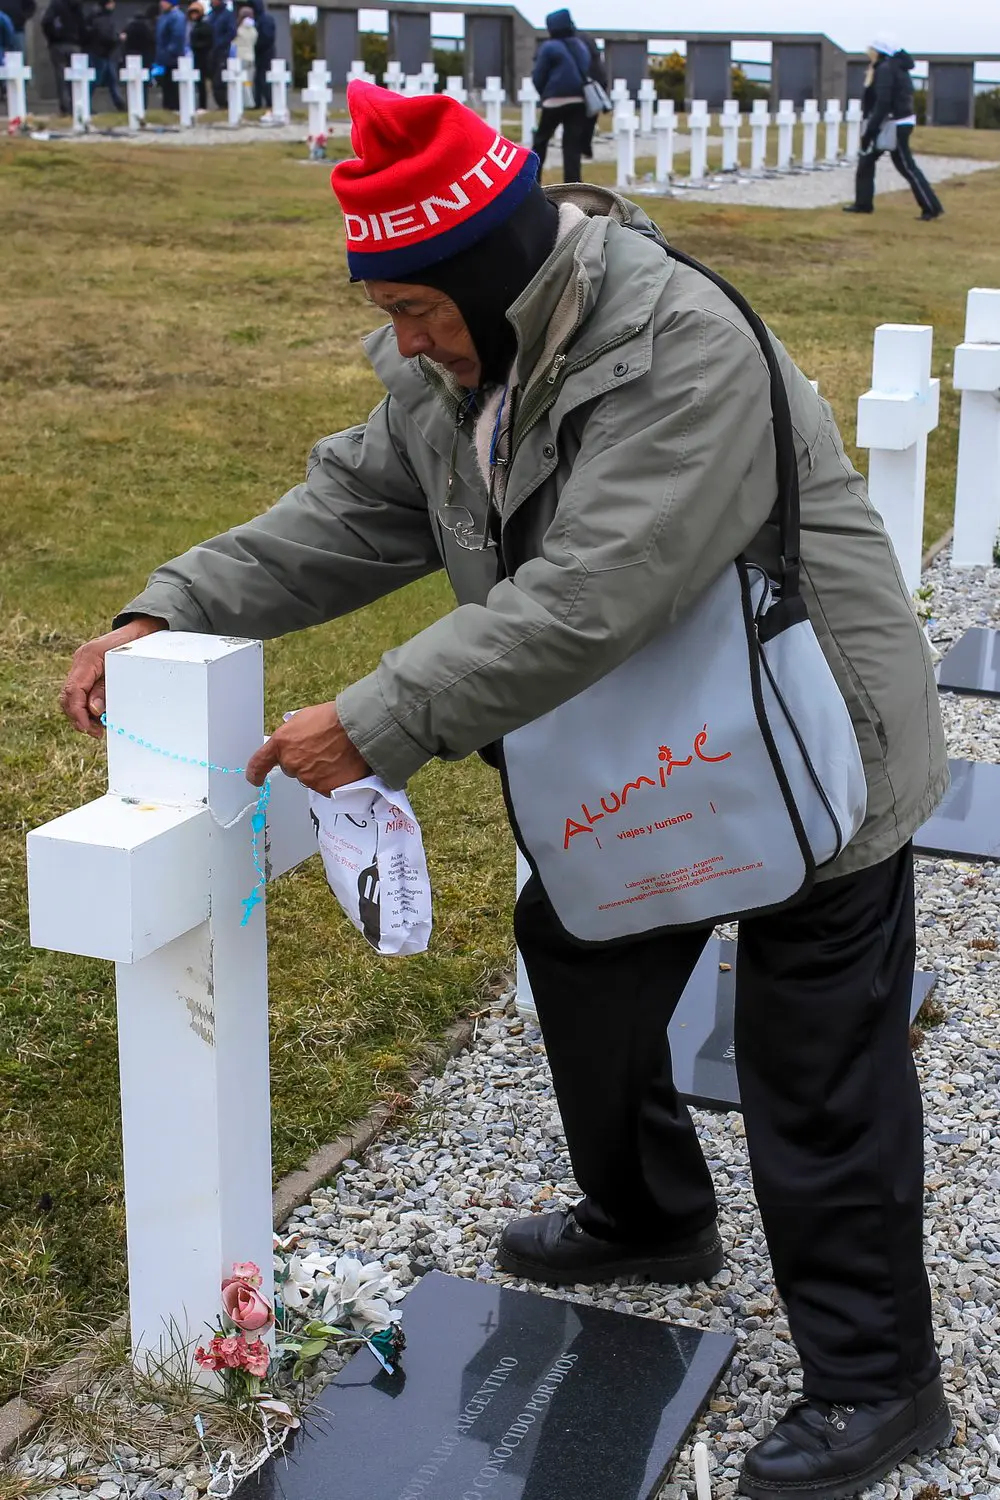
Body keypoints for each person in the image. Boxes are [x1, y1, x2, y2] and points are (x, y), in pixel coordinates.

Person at [61, 84, 952, 1500]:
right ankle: (650, 1216)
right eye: (390, 307)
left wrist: (375, 720)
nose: (399, 339)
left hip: (812, 740)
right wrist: (166, 605)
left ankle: (879, 1379)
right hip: (649, 749)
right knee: (580, 956)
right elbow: (352, 510)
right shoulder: (453, 373)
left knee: (815, 1060)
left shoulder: (681, 347)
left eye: (417, 306)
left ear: (494, 270)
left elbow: (594, 593)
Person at [844, 36, 944, 220]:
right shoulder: (893, 67)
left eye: (871, 50)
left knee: (906, 167)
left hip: (893, 124)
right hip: (894, 122)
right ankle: (863, 203)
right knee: (867, 162)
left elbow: (883, 102)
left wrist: (871, 130)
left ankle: (931, 207)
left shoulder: (886, 69)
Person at [531, 7, 600, 184]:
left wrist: (545, 94)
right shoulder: (580, 46)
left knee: (541, 141)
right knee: (571, 146)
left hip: (554, 100)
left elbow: (538, 76)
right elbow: (586, 68)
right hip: (579, 101)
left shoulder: (548, 47)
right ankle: (573, 185)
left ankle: (534, 180)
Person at [41, 0, 83, 113]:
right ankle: (78, 105)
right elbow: (82, 24)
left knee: (61, 77)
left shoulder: (56, 4)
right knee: (76, 77)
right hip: (74, 44)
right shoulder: (77, 5)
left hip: (58, 45)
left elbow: (46, 22)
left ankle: (66, 107)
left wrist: (53, 37)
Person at [87, 0, 125, 110]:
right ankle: (85, 103)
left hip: (104, 53)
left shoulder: (97, 16)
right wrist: (118, 39)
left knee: (111, 80)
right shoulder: (102, 18)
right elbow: (106, 37)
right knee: (95, 80)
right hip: (102, 53)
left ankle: (120, 103)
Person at [152, 0, 184, 109]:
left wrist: (169, 51)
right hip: (164, 57)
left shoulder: (177, 17)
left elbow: (177, 36)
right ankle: (167, 107)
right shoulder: (164, 17)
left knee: (173, 86)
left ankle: (174, 108)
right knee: (166, 85)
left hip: (172, 58)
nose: (161, 3)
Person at [205, 0, 233, 107]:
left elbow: (231, 32)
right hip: (210, 52)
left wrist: (220, 43)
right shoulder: (210, 15)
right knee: (212, 79)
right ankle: (219, 103)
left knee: (219, 80)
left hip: (222, 52)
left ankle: (224, 104)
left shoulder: (227, 15)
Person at [186, 0, 212, 108]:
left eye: (196, 13)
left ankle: (203, 105)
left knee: (202, 84)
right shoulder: (193, 26)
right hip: (195, 57)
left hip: (203, 58)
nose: (193, 16)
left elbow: (208, 42)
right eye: (192, 13)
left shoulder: (205, 26)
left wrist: (196, 45)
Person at [250, 0, 273, 112]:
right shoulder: (257, 20)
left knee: (263, 79)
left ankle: (269, 102)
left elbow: (267, 38)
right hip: (259, 53)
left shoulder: (265, 20)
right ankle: (257, 102)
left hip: (265, 53)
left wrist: (255, 46)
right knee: (258, 80)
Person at [121, 1, 156, 70]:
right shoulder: (147, 27)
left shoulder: (129, 27)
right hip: (145, 55)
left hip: (130, 54)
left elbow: (124, 39)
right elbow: (152, 40)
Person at [234, 3, 254, 106]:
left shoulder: (239, 29)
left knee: (241, 81)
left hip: (241, 57)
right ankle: (250, 101)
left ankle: (245, 102)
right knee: (248, 82)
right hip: (251, 57)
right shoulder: (253, 29)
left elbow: (235, 42)